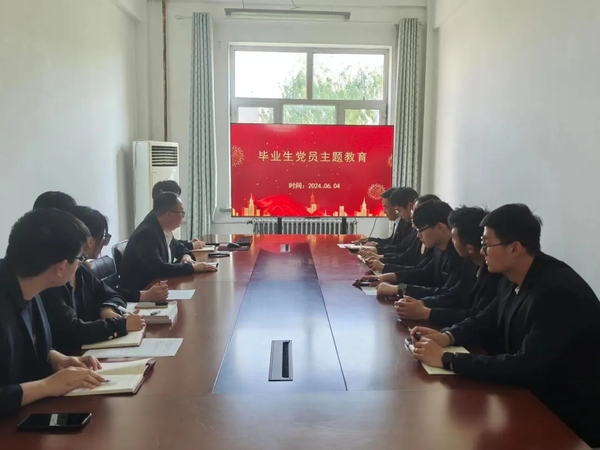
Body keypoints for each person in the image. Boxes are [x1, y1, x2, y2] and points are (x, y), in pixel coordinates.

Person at [410, 204, 600, 447]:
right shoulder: (512, 276)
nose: (482, 250)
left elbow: (526, 365)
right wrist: (447, 337)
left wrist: (448, 360)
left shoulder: (556, 292)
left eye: (487, 244)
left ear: (514, 248)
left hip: (567, 416)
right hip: (532, 397)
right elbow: (487, 318)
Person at [0, 208, 105, 414]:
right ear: (61, 267)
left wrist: (56, 358)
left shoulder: (28, 281)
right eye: (80, 257)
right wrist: (47, 386)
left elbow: (26, 342)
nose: (81, 264)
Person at [39, 207, 147, 354]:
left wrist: (107, 309)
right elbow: (72, 331)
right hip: (71, 358)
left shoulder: (82, 270)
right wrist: (121, 325)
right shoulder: (51, 281)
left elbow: (113, 294)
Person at [395, 206, 501, 328]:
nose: (418, 235)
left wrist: (427, 313)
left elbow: (478, 317)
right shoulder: (469, 262)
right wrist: (421, 303)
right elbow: (454, 294)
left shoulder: (493, 272)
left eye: (454, 238)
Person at [367, 201, 474, 299]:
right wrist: (386, 277)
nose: (418, 235)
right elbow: (424, 274)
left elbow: (449, 295)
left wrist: (399, 289)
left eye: (420, 229)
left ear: (440, 227)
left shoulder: (460, 254)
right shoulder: (439, 248)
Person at [120, 193, 217, 290]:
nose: (183, 217)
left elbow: (180, 247)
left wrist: (186, 256)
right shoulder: (147, 234)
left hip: (157, 286)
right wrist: (192, 268)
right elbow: (158, 268)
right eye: (182, 213)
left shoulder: (162, 228)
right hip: (141, 292)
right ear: (169, 214)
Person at [362, 194, 439, 273]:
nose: (413, 215)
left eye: (398, 210)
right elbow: (407, 255)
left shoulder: (434, 243)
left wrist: (383, 263)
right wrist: (379, 257)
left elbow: (421, 273)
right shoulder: (419, 231)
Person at [151, 180, 205, 250]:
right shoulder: (151, 231)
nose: (177, 201)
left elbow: (174, 244)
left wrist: (190, 244)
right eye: (174, 198)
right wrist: (191, 245)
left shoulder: (160, 221)